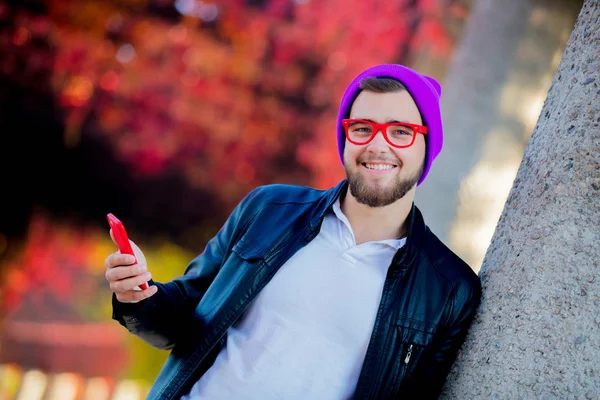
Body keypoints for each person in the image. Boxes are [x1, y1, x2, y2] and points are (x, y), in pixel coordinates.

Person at [105, 63, 482, 400]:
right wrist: (139, 295)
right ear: (346, 138)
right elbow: (183, 320)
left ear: (426, 145)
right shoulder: (269, 210)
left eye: (401, 131)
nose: (378, 144)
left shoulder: (449, 290)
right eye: (363, 128)